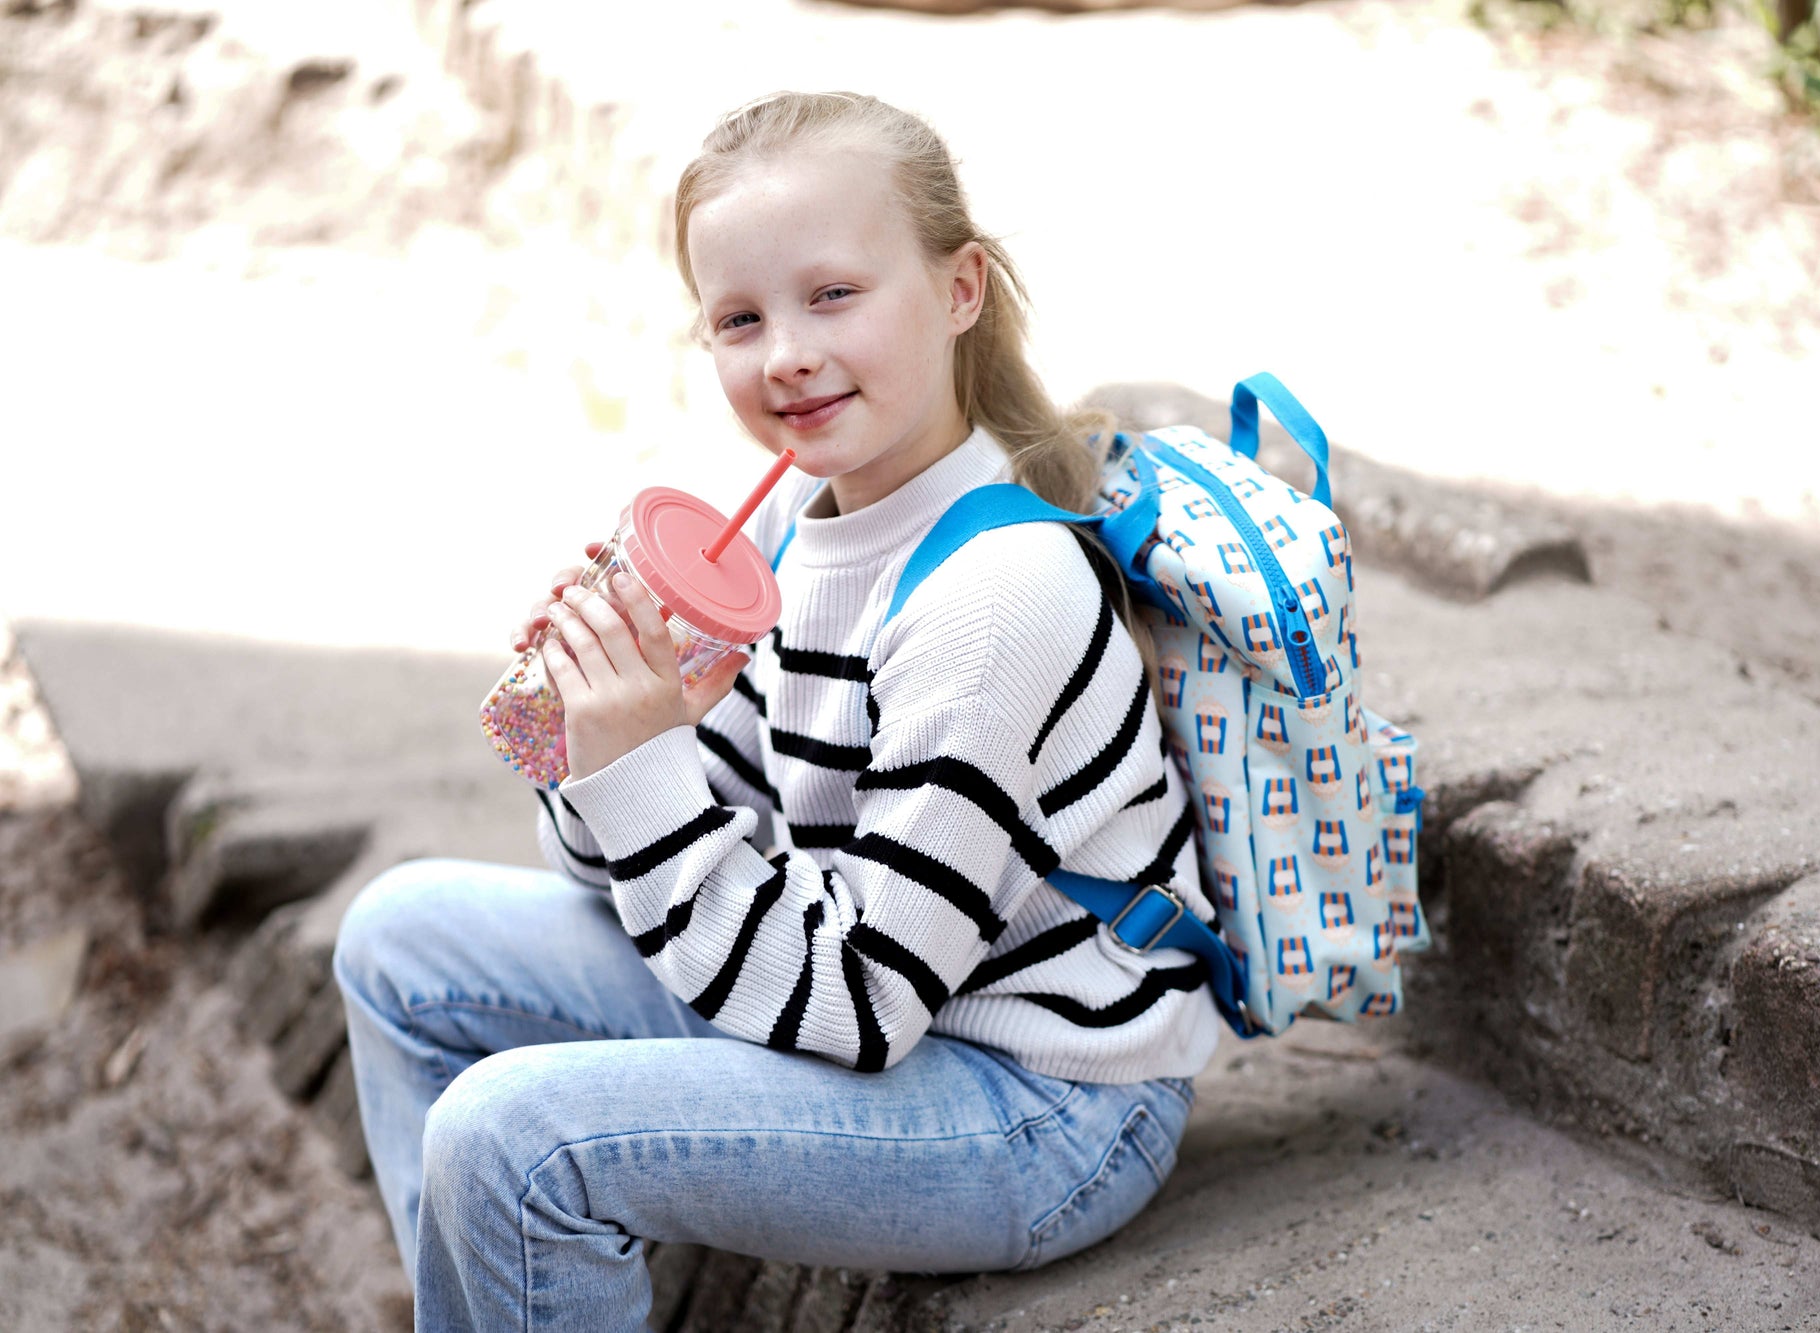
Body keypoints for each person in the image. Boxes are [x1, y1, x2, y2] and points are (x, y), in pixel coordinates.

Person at [332, 89, 1218, 1330]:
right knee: (398, 941)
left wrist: (644, 772)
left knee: (513, 1138)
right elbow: (642, 870)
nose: (785, 353)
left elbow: (862, 1006)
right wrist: (607, 737)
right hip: (873, 1001)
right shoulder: (806, 534)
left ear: (959, 289)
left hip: (1038, 1100)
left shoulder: (993, 595)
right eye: (739, 318)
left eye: (833, 294)